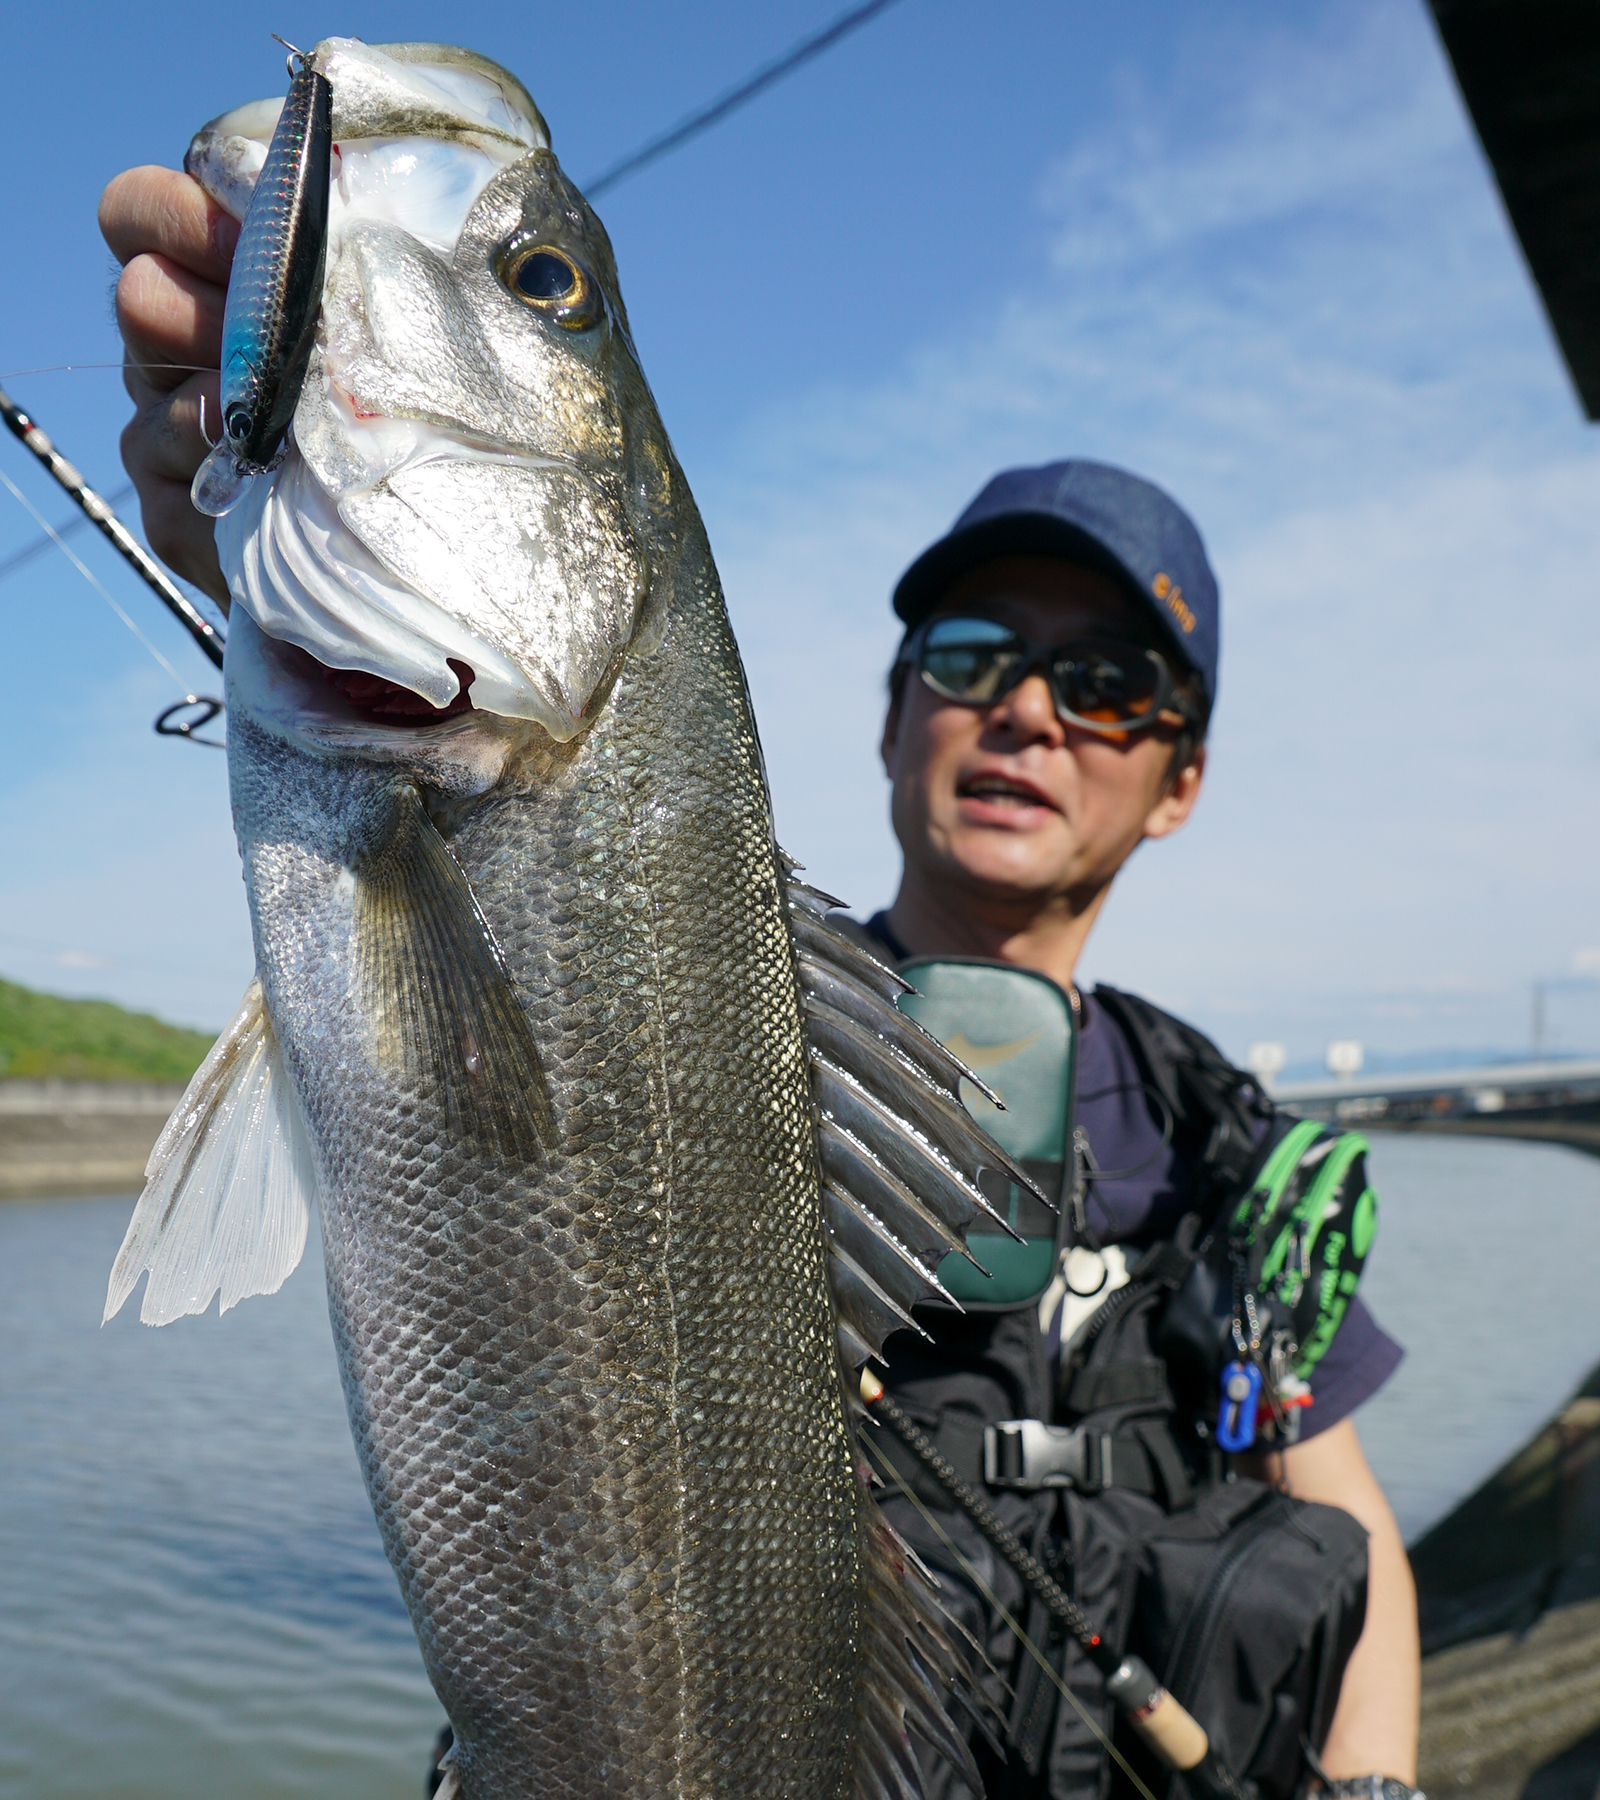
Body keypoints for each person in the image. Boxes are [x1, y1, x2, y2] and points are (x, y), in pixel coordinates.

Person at [99, 167, 1419, 1799]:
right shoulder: (686, 997)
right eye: (969, 656)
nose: (1025, 713)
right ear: (887, 720)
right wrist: (290, 516)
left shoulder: (1238, 1157)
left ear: (1182, 781)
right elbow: (501, 836)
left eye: (1107, 685)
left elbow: (1344, 1499)